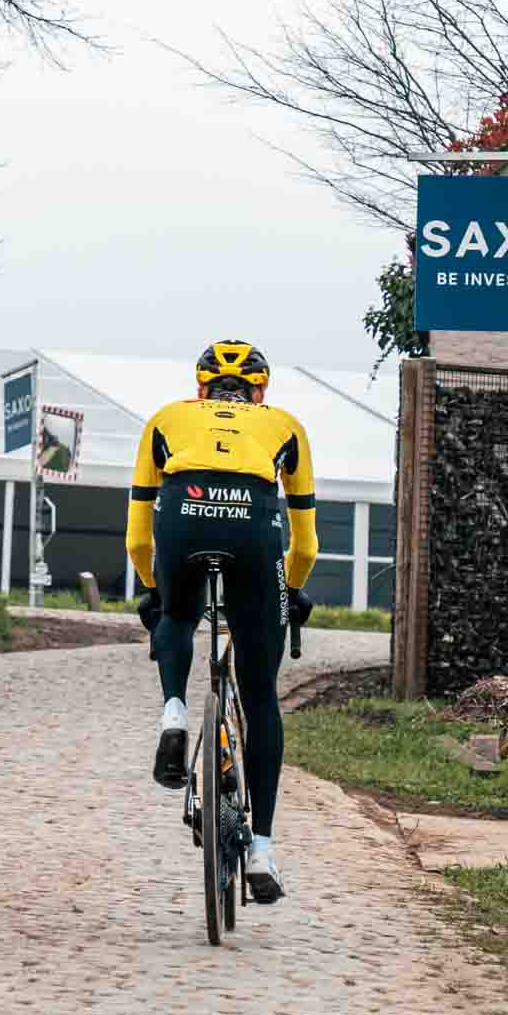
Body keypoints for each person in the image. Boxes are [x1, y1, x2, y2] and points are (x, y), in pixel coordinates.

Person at [126, 339, 316, 902]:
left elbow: (139, 536)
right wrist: (294, 589)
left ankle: (174, 712)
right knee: (260, 696)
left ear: (201, 389)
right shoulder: (284, 425)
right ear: (260, 391)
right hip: (254, 529)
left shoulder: (166, 419)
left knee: (179, 614)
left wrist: (156, 591)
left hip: (181, 516)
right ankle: (261, 848)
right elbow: (304, 541)